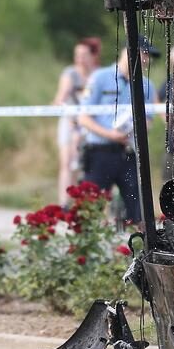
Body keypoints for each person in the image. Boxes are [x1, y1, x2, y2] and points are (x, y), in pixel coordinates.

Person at [77, 39, 158, 228]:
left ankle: (139, 249)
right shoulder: (100, 78)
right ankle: (87, 251)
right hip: (99, 152)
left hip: (127, 151)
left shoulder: (147, 85)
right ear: (131, 52)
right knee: (90, 208)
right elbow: (84, 117)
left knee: (138, 208)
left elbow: (148, 120)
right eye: (145, 54)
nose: (147, 60)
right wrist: (109, 134)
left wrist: (132, 131)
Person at [53, 36, 100, 205]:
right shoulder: (70, 73)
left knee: (87, 164)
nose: (79, 58)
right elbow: (61, 96)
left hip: (91, 123)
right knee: (66, 161)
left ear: (92, 56)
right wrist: (62, 104)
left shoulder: (98, 74)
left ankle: (85, 202)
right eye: (77, 54)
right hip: (70, 121)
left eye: (83, 54)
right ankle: (64, 202)